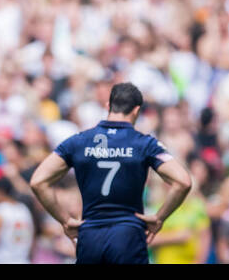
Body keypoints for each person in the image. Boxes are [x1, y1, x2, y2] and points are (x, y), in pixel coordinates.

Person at [30, 82, 193, 265]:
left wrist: (65, 220)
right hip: (128, 237)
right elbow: (183, 181)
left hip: (90, 237)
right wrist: (159, 218)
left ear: (108, 106)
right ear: (136, 111)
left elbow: (38, 181)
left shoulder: (78, 141)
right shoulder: (145, 144)